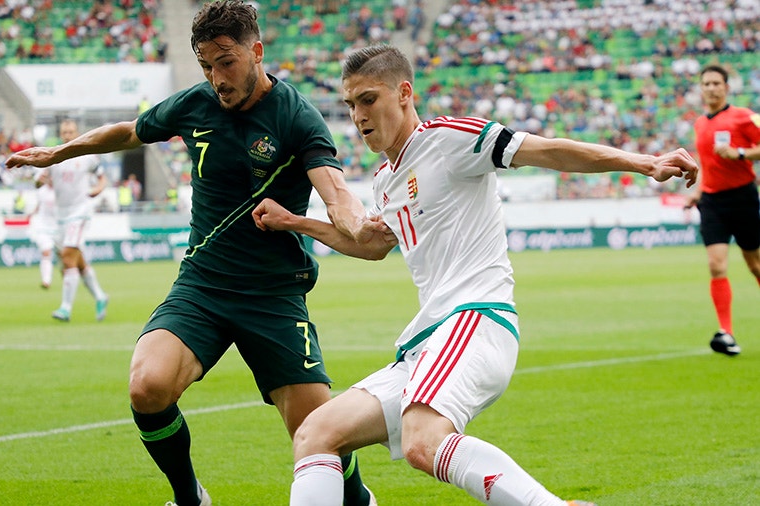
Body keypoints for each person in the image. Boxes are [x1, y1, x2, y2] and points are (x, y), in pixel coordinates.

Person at [251, 45, 698, 506]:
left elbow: (547, 151)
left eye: (368, 100)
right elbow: (371, 246)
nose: (358, 116)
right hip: (428, 340)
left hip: (475, 318)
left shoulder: (449, 139)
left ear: (404, 93)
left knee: (423, 439)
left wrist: (644, 162)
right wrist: (295, 222)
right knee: (316, 434)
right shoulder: (386, 178)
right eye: (350, 105)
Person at [6, 3, 386, 504]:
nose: (217, 78)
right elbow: (129, 131)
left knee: (318, 430)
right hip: (203, 285)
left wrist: (357, 224)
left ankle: (357, 498)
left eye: (226, 62)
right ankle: (191, 498)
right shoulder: (196, 103)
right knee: (148, 385)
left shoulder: (296, 116)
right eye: (206, 65)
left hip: (271, 294)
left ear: (257, 51)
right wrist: (59, 153)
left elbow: (335, 192)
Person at [684, 64, 760, 357]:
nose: (711, 88)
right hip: (712, 203)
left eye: (716, 83)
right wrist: (698, 193)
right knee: (716, 265)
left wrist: (741, 153)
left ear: (727, 87)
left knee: (754, 264)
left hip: (743, 198)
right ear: (701, 89)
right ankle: (726, 333)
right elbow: (707, 165)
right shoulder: (700, 124)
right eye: (706, 84)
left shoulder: (744, 116)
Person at [34, 119, 109, 322]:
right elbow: (39, 180)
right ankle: (101, 296)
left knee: (68, 256)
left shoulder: (87, 156)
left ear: (77, 133)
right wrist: (38, 181)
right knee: (76, 261)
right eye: (64, 132)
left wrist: (98, 189)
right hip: (60, 216)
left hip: (80, 211)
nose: (67, 135)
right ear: (60, 134)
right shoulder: (54, 155)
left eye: (71, 132)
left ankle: (65, 308)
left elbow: (102, 178)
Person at [28, 172, 58, 289]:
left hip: (58, 227)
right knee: (46, 252)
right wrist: (32, 214)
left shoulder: (60, 191)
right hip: (44, 227)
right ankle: (46, 280)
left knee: (64, 256)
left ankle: (68, 277)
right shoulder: (41, 191)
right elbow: (39, 205)